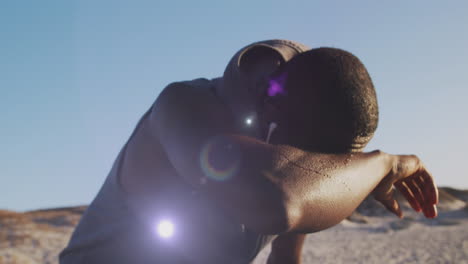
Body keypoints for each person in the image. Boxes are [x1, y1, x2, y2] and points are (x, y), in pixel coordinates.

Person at [59, 40, 438, 264]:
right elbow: (278, 202)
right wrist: (386, 163)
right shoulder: (183, 106)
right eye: (313, 155)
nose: (312, 165)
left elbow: (285, 257)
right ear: (272, 108)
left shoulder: (293, 140)